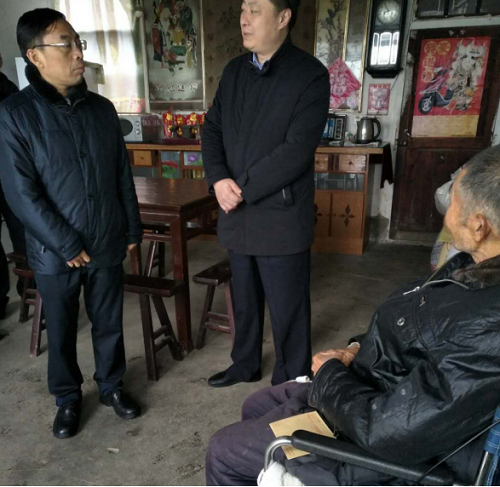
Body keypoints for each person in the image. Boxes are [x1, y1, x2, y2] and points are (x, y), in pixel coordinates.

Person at [206, 147, 500, 485]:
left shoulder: (487, 326)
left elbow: (391, 431)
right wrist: (356, 348)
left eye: (454, 202)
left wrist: (330, 374)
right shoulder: (473, 266)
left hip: (379, 445)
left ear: (478, 226)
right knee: (257, 404)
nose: (446, 211)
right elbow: (416, 333)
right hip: (374, 388)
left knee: (223, 452)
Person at [0, 9, 143, 439]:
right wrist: (65, 243)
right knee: (60, 329)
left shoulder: (101, 109)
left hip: (105, 238)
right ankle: (67, 398)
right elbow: (21, 193)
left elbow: (120, 173)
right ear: (35, 56)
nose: (78, 53)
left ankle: (112, 386)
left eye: (78, 43)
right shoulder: (15, 113)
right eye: (66, 44)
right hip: (55, 250)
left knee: (109, 323)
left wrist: (131, 228)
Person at [202, 0, 330, 388]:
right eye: (243, 9)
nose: (244, 19)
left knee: (287, 305)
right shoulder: (234, 72)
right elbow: (212, 129)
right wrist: (218, 179)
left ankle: (291, 379)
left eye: (255, 10)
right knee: (244, 298)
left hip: (280, 214)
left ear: (283, 17)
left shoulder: (309, 75)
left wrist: (241, 188)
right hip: (236, 212)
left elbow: (296, 150)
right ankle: (245, 364)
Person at [0, 52, 26, 318]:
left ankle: (30, 288)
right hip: (10, 171)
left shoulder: (10, 95)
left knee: (22, 232)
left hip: (11, 172)